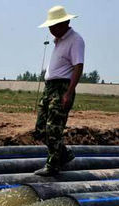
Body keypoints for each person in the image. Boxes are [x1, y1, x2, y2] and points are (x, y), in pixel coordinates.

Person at [33, 5, 85, 176]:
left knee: (53, 129)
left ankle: (53, 165)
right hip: (49, 88)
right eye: (50, 26)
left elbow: (78, 66)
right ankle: (64, 154)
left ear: (65, 22)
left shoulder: (75, 40)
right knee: (41, 130)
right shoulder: (59, 41)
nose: (51, 29)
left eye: (53, 26)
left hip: (62, 88)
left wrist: (69, 92)